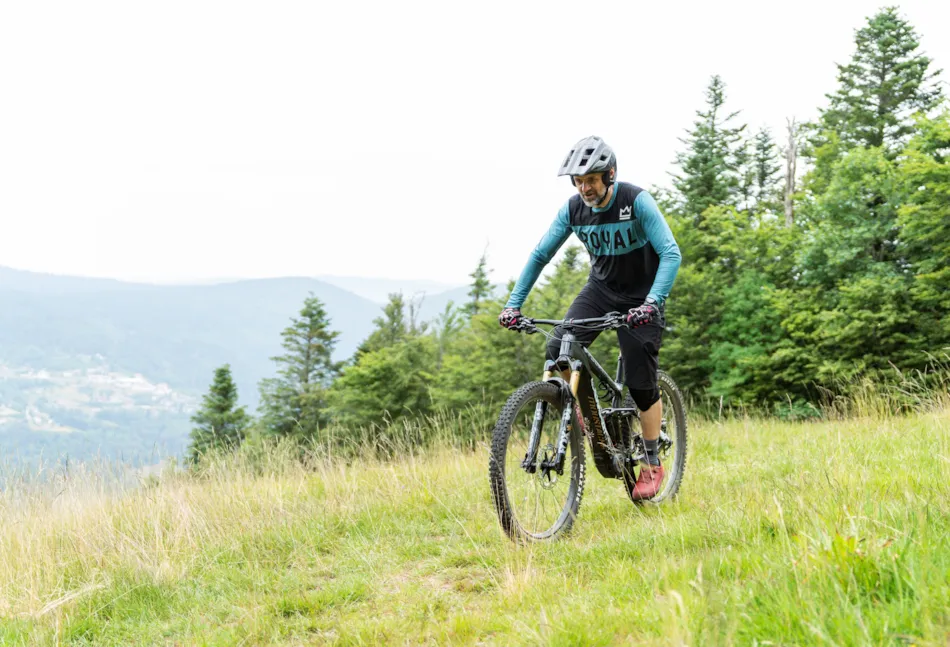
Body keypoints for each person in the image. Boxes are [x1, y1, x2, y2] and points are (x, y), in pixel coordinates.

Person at [498, 135, 682, 500]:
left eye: (591, 180)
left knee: (640, 380)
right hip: (600, 291)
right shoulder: (573, 210)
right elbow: (540, 256)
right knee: (558, 346)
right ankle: (584, 413)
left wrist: (652, 302)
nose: (584, 188)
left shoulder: (636, 201)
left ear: (610, 175)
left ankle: (650, 462)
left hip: (642, 296)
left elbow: (670, 253)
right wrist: (513, 304)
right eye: (579, 182)